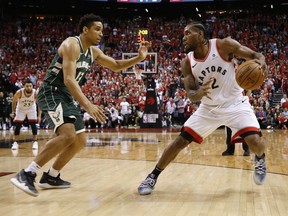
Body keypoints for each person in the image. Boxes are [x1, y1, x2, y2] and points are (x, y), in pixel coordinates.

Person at [10, 13, 151, 197]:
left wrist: (138, 58)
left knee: (79, 140)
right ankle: (27, 173)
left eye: (102, 30)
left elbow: (116, 65)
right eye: (97, 29)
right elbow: (68, 79)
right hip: (52, 91)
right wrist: (88, 105)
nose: (101, 34)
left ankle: (52, 176)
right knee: (68, 134)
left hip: (66, 95)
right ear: (85, 30)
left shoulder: (93, 51)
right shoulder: (71, 44)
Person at [138, 21, 267, 195]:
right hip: (209, 109)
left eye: (187, 33)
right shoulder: (187, 62)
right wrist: (199, 92)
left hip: (236, 104)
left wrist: (261, 62)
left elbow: (254, 54)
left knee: (256, 143)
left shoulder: (223, 45)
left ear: (199, 34)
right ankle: (152, 176)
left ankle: (260, 159)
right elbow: (191, 94)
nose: (183, 38)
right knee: (179, 142)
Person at [10, 79, 41, 150]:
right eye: (27, 86)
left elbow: (39, 104)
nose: (28, 87)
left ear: (32, 86)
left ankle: (35, 142)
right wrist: (13, 111)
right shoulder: (19, 92)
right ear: (24, 86)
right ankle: (15, 142)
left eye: (30, 86)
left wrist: (39, 116)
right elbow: (14, 101)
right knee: (18, 125)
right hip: (20, 109)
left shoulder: (35, 93)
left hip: (31, 109)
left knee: (33, 125)